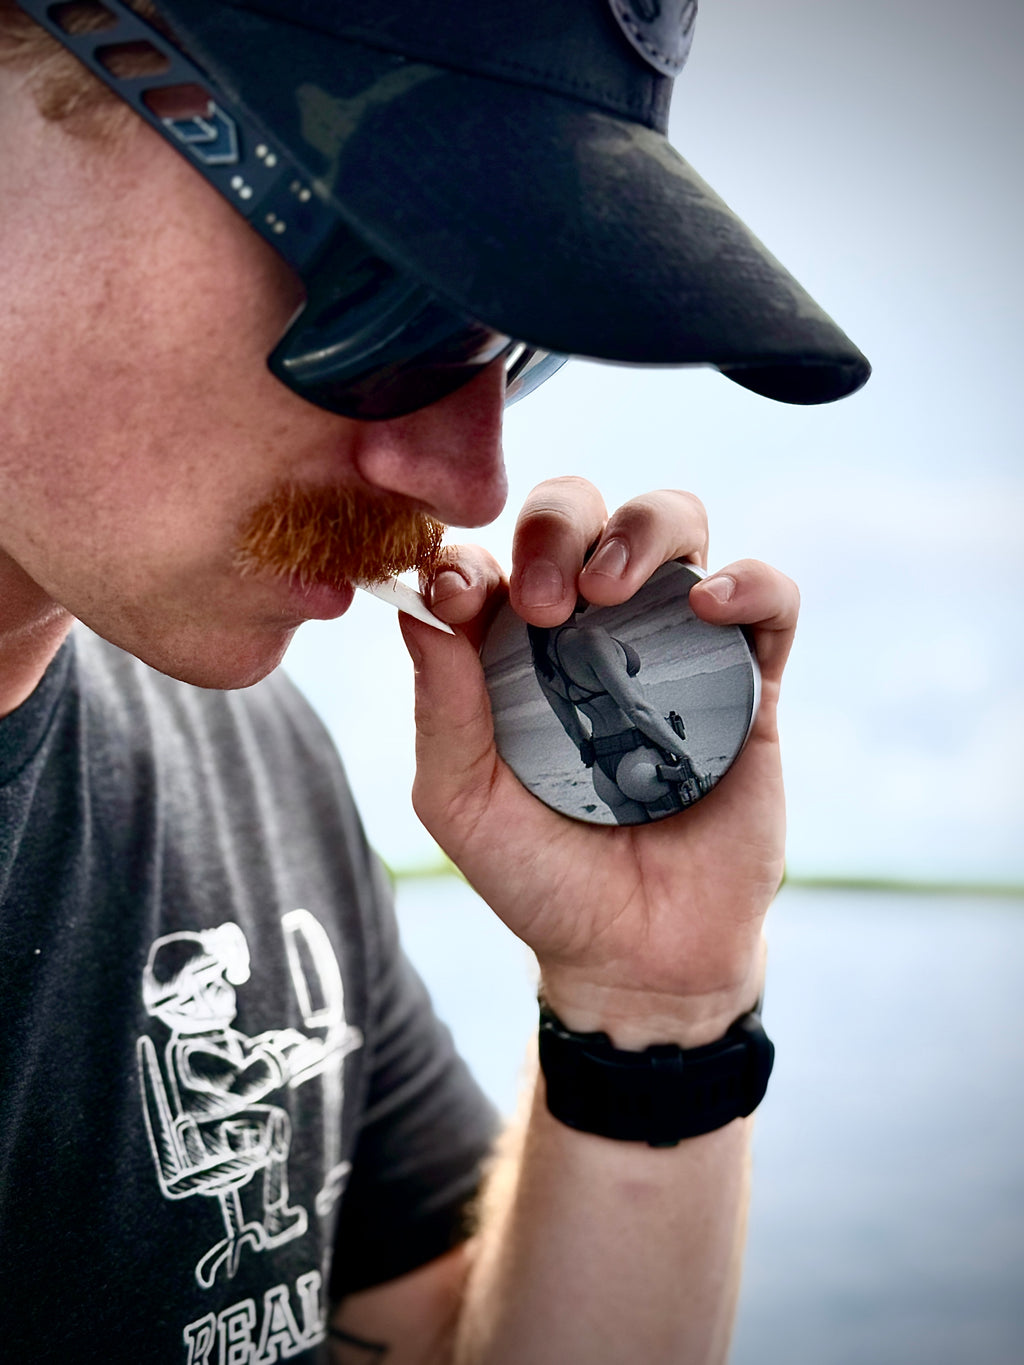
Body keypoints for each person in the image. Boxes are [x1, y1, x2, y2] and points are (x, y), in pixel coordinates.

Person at [0, 2, 868, 1362]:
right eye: (390, 285)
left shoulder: (251, 779)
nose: (469, 481)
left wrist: (652, 1013)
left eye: (510, 337)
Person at [528, 608, 708, 823]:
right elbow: (636, 709)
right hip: (639, 757)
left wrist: (602, 760)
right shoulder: (588, 637)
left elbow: (572, 729)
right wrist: (687, 756)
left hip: (603, 773)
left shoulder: (542, 664)